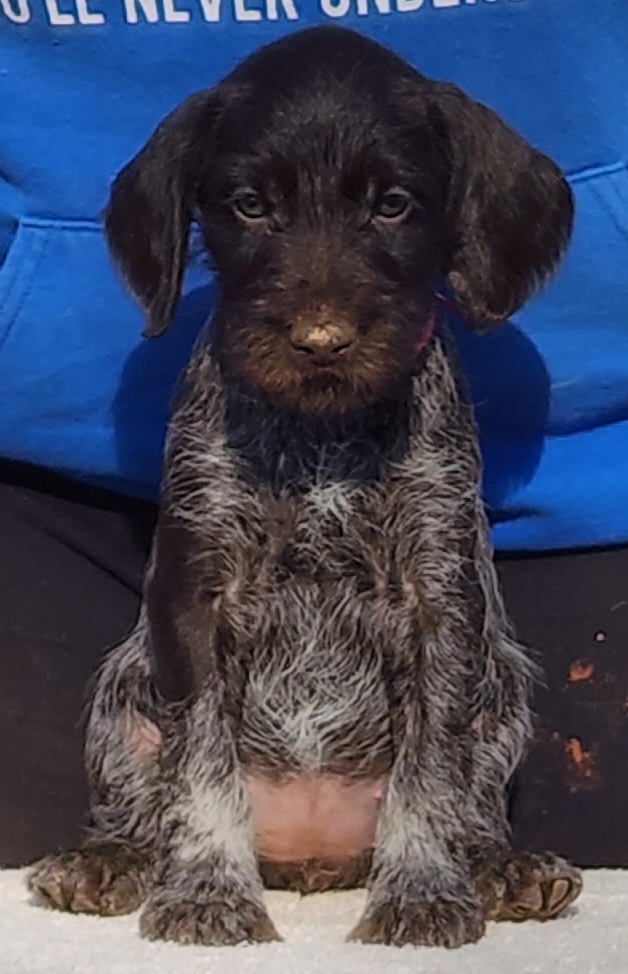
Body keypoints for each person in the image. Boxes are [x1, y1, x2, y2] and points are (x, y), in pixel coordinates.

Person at [1, 0, 627, 868]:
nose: (322, 326)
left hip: (588, 509)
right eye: (251, 206)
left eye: (392, 204)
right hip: (52, 510)